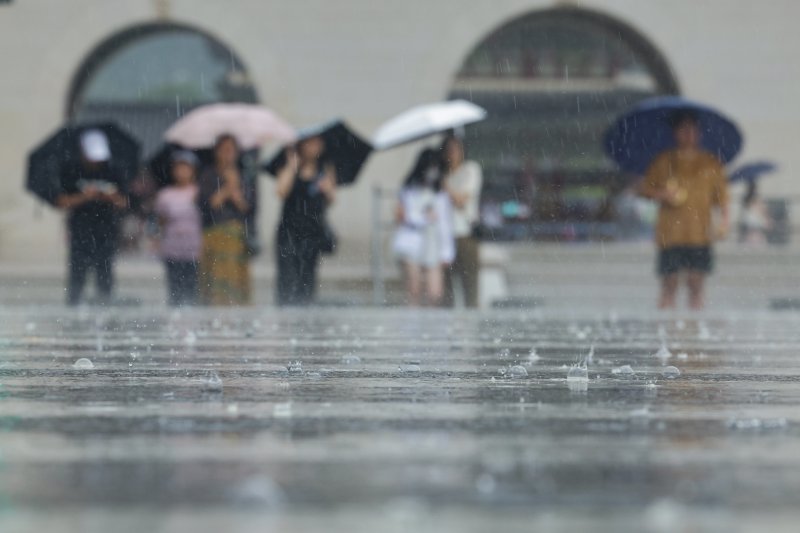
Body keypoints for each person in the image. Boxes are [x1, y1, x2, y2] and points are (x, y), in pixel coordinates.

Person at [638, 110, 730, 310]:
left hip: (699, 232)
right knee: (669, 283)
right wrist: (663, 195)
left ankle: (694, 327)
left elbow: (722, 199)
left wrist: (724, 222)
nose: (688, 134)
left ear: (699, 133)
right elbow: (645, 189)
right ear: (675, 133)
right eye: (684, 129)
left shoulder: (711, 163)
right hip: (670, 233)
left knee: (696, 283)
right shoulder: (663, 161)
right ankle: (666, 327)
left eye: (692, 130)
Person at [56, 129, 127, 306]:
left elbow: (124, 202)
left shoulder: (113, 171)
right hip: (80, 229)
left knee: (104, 269)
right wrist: (84, 196)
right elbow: (61, 201)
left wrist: (109, 196)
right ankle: (74, 302)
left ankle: (105, 302)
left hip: (105, 229)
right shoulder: (71, 171)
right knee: (78, 270)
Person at [275, 136, 337, 306]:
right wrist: (292, 166)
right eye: (311, 143)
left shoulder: (325, 169)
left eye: (318, 143)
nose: (315, 147)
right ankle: (286, 312)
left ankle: (305, 312)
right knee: (287, 276)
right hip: (289, 231)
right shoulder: (291, 165)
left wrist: (328, 189)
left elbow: (332, 199)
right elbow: (280, 191)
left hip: (312, 232)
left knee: (307, 277)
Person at [393, 148, 455, 307]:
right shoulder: (408, 190)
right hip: (411, 241)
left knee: (435, 293)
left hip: (433, 243)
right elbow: (403, 216)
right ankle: (413, 326)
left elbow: (444, 224)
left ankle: (431, 326)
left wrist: (447, 252)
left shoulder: (440, 194)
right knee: (414, 289)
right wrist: (424, 218)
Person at [197, 134, 254, 306]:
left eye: (231, 149)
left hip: (235, 235)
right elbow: (207, 205)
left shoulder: (243, 176)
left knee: (236, 278)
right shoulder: (208, 174)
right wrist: (225, 190)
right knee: (213, 279)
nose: (227, 153)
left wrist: (236, 192)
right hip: (213, 233)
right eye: (224, 149)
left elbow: (249, 208)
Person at [154, 150, 202, 306]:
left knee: (192, 288)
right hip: (172, 246)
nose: (182, 172)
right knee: (174, 288)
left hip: (194, 247)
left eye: (186, 168)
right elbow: (160, 221)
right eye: (178, 168)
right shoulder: (165, 195)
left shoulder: (199, 192)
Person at [440, 135, 483, 308]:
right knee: (447, 287)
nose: (452, 154)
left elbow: (461, 200)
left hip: (465, 234)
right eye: (449, 150)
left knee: (470, 284)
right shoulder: (442, 174)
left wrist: (445, 186)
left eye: (455, 149)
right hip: (445, 236)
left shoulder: (470, 170)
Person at [738, 181, 772, 245]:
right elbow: (761, 210)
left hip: (750, 225)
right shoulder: (754, 200)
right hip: (753, 224)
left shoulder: (747, 200)